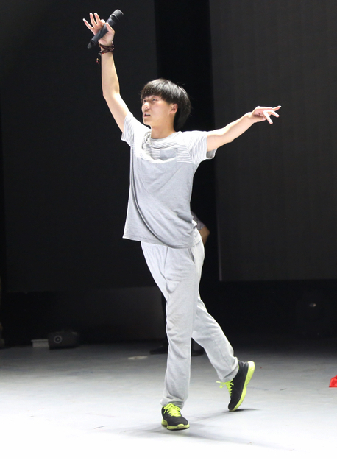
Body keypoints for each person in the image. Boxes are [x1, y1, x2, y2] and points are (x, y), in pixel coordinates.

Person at [83, 13, 281, 431]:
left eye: (154, 99)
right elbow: (111, 94)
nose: (145, 104)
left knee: (176, 328)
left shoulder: (188, 144)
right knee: (192, 315)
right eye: (144, 99)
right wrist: (107, 48)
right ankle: (235, 371)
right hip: (150, 246)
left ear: (173, 107)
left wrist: (250, 117)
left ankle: (172, 403)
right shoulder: (136, 137)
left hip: (181, 249)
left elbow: (224, 134)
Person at [150, 212, 210, 357]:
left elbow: (204, 232)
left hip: (182, 267)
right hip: (170, 267)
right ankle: (172, 343)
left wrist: (193, 257)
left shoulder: (181, 211)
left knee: (188, 305)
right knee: (170, 304)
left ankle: (195, 344)